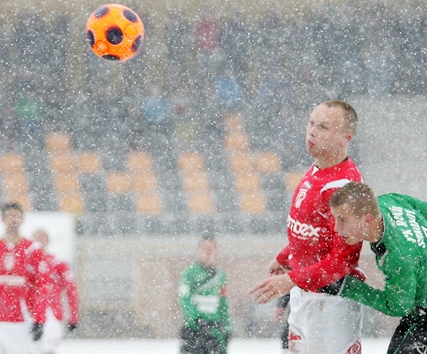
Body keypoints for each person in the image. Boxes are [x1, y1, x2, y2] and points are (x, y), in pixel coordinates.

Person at [249, 100, 365, 353]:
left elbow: (343, 261)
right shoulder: (316, 169)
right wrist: (285, 256)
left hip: (331, 303)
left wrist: (290, 279)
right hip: (305, 293)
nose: (312, 131)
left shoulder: (344, 187)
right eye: (311, 123)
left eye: (323, 127)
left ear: (345, 138)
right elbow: (312, 231)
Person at [330, 181, 427, 354]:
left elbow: (398, 306)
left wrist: (349, 287)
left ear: (367, 219)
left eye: (342, 220)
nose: (336, 228)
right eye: (335, 219)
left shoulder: (399, 257)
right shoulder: (390, 201)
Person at [0, 201, 49, 354]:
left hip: (23, 323)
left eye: (17, 216)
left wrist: (39, 319)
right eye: (9, 216)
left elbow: (41, 287)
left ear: (23, 220)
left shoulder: (33, 249)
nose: (13, 220)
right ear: (2, 219)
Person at [178, 233, 231, 354]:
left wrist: (227, 326)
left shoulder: (220, 275)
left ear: (216, 251)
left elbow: (223, 302)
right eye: (204, 248)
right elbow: (185, 298)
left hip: (215, 329)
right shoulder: (189, 273)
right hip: (194, 330)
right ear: (199, 250)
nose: (208, 252)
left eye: (211, 248)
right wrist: (195, 320)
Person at [31, 229, 79, 354]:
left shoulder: (58, 262)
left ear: (47, 241)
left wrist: (73, 317)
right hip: (30, 314)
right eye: (37, 238)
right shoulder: (27, 263)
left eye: (42, 238)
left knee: (48, 350)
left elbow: (71, 290)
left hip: (51, 314)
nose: (39, 242)